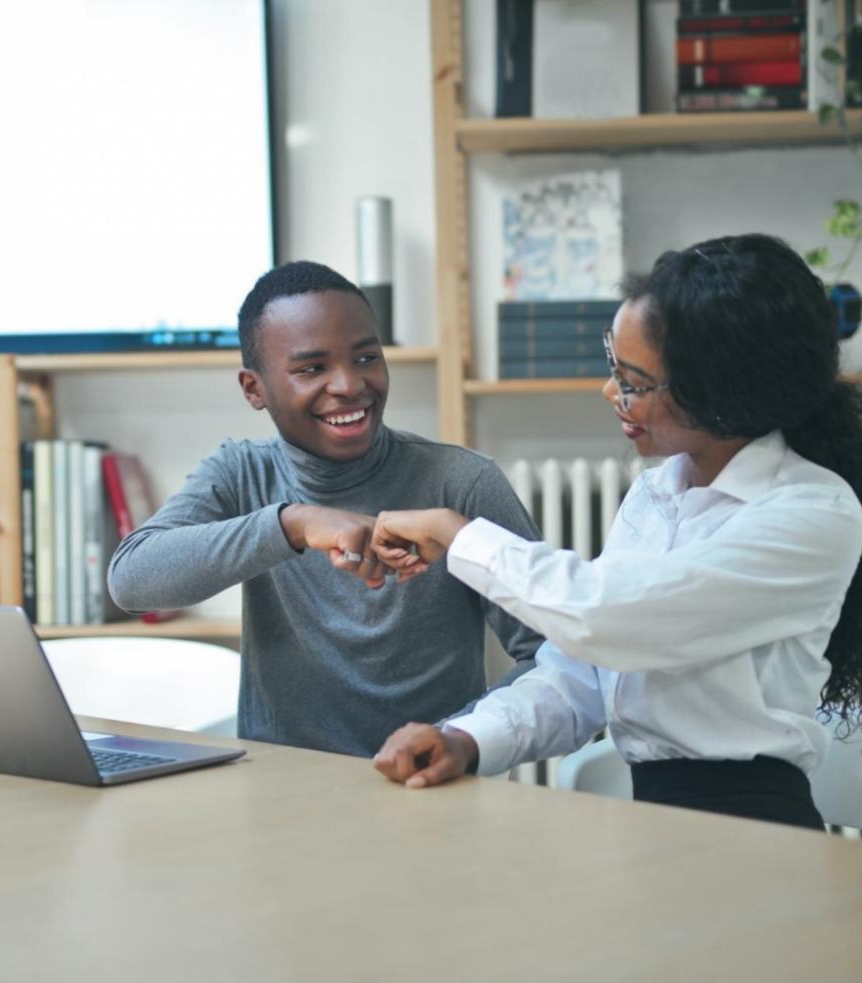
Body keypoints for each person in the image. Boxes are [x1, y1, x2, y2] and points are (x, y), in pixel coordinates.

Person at [368, 233, 862, 830]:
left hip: (752, 825)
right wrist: (468, 739)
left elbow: (604, 617)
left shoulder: (811, 511)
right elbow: (583, 670)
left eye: (633, 382)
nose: (611, 393)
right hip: (656, 818)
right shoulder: (656, 495)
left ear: (720, 392)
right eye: (614, 368)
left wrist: (457, 532)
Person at [107, 260, 545, 757]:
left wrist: (462, 739)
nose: (349, 385)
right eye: (312, 369)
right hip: (284, 787)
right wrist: (292, 524)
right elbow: (132, 581)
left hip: (429, 781)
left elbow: (551, 655)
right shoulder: (240, 473)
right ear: (254, 389)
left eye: (366, 358)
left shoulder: (463, 482)